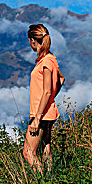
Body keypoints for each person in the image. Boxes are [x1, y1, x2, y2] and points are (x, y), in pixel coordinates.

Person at [22, 24, 65, 173]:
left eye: (29, 41)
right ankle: (51, 180)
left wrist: (37, 118)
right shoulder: (51, 58)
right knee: (46, 149)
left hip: (41, 114)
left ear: (33, 40)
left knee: (28, 152)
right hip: (49, 112)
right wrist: (53, 97)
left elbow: (46, 92)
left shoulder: (46, 63)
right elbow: (61, 79)